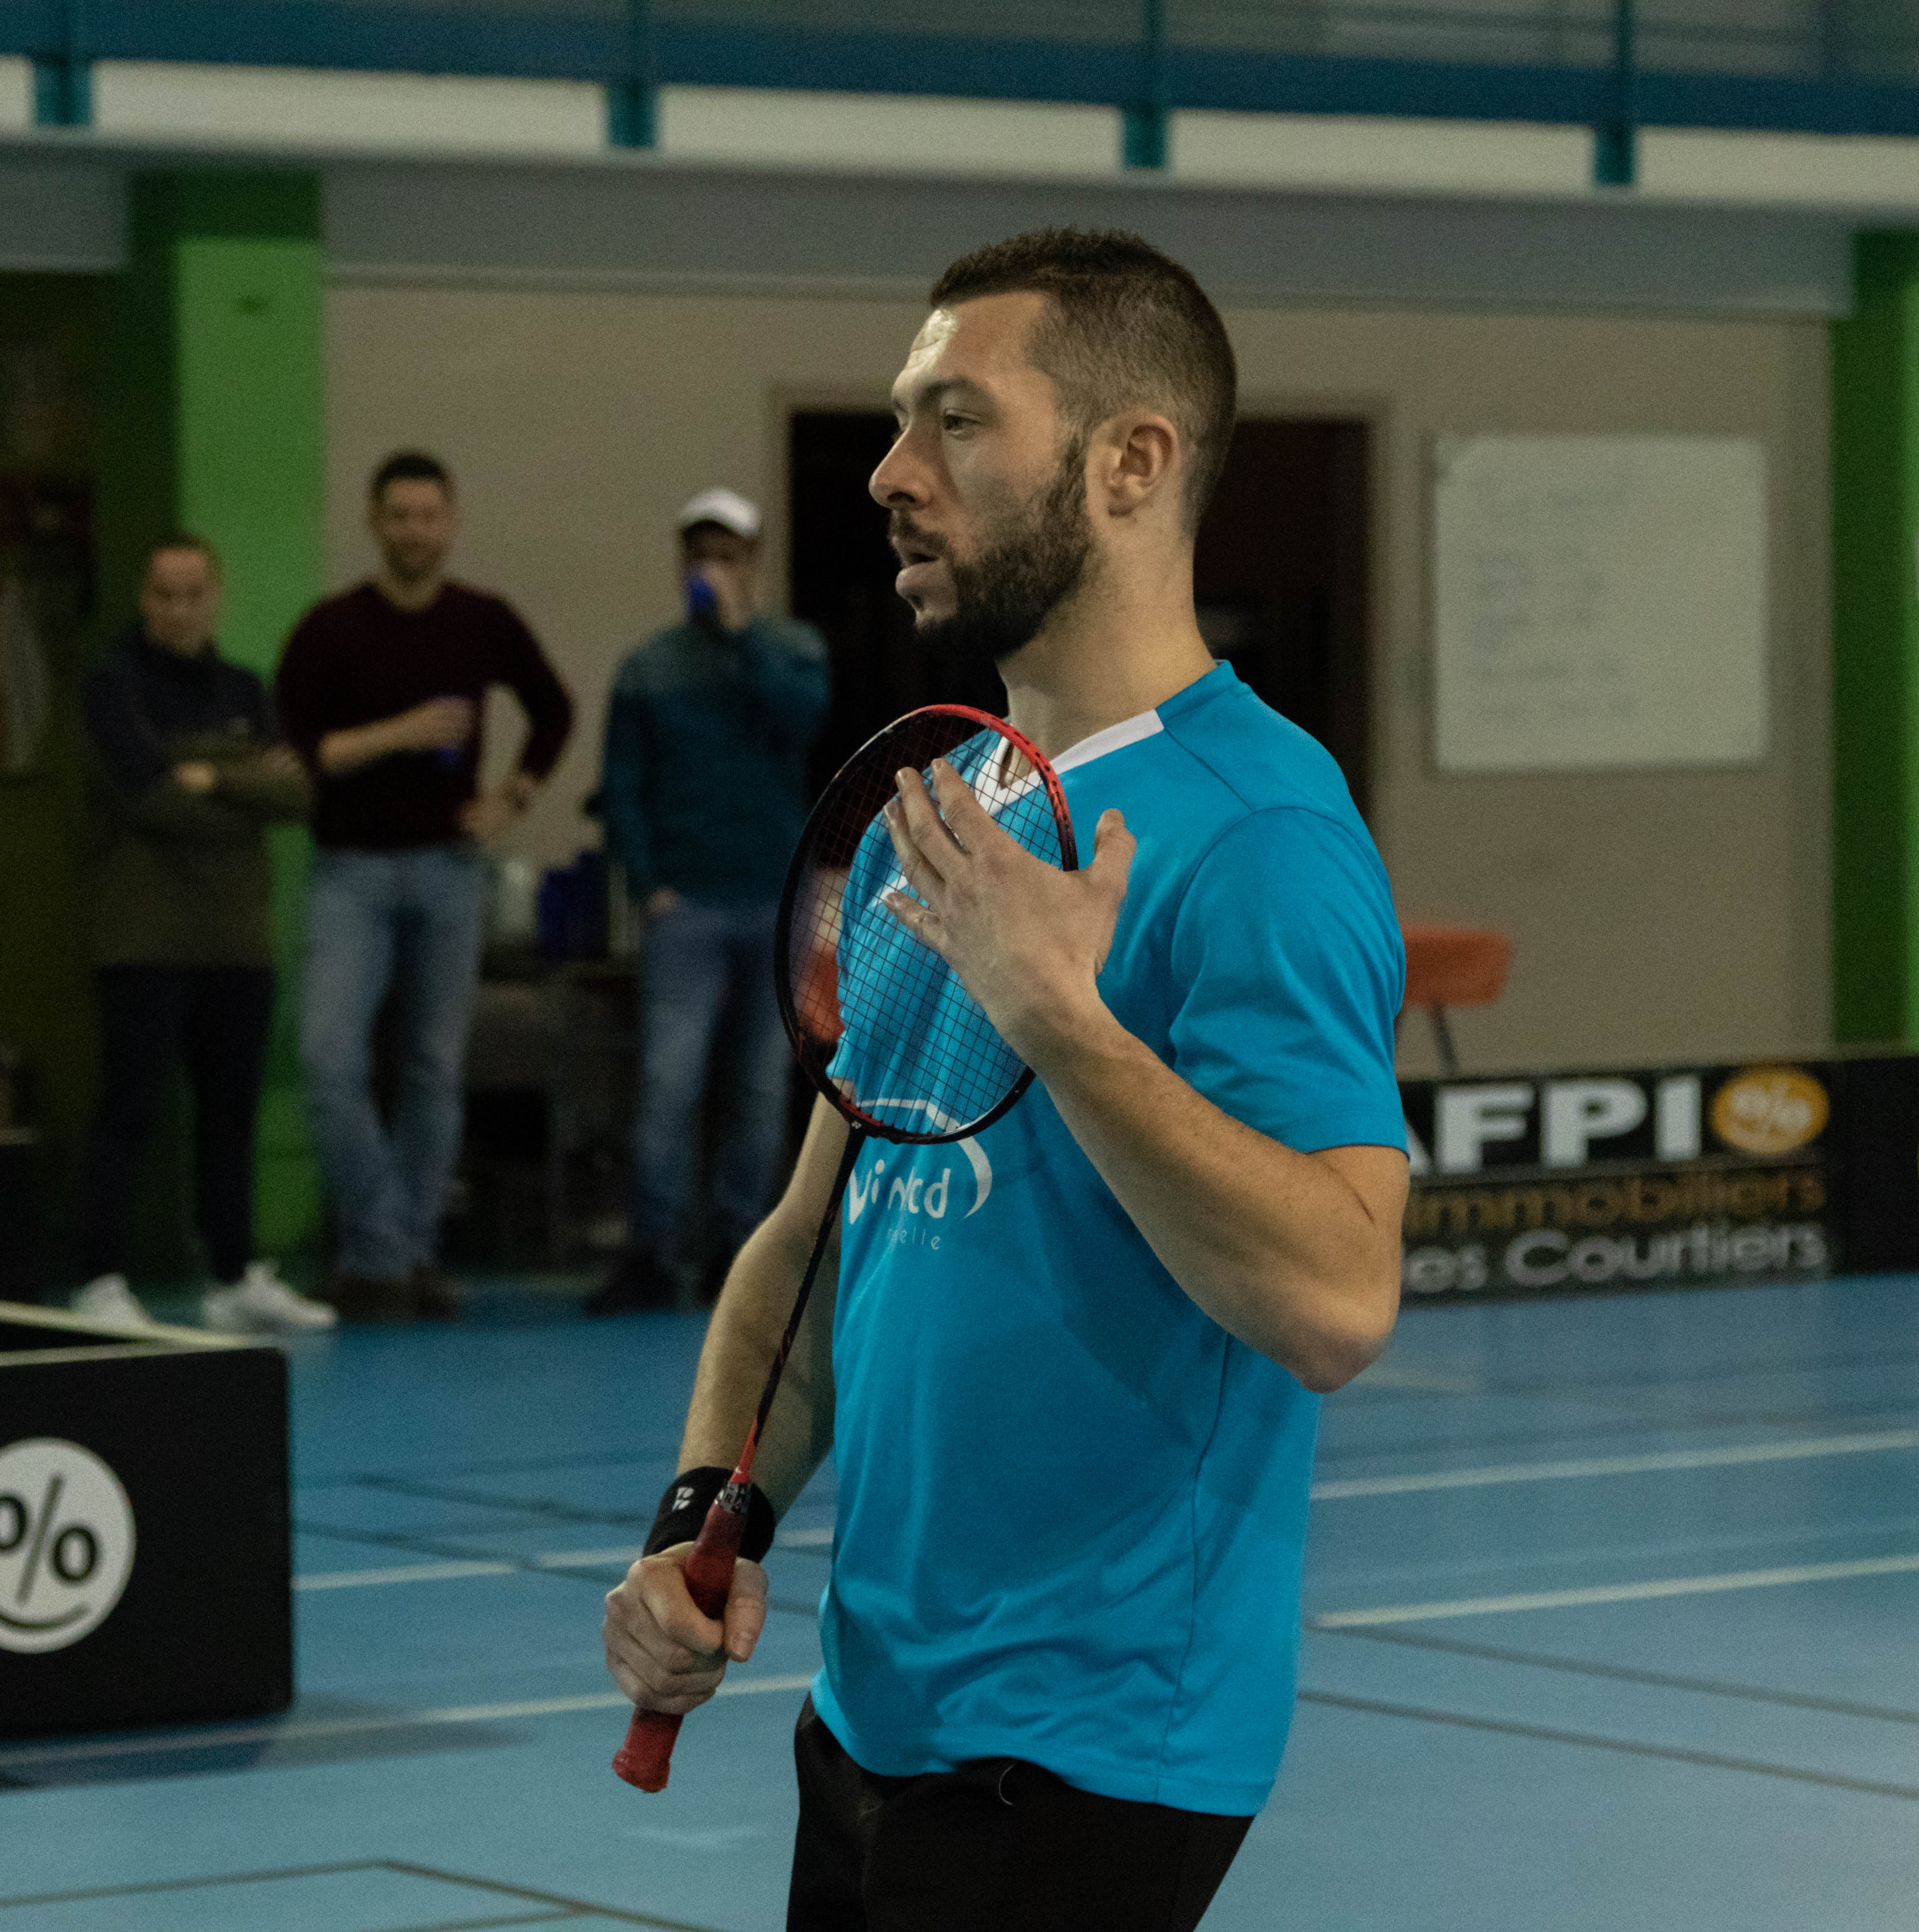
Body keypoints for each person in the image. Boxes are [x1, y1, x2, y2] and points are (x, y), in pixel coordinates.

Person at [601, 230, 1409, 1929]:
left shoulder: (1261, 835)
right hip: (872, 1713)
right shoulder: (951, 810)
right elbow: (811, 1247)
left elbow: (1339, 1299)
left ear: (1133, 462)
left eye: (958, 421)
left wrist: (1064, 1022)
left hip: (1088, 1744)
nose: (893, 472)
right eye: (906, 420)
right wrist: (704, 1518)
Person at [276, 452, 575, 1319]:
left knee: (433, 1068)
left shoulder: (482, 622)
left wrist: (513, 796)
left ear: (450, 523)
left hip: (449, 868)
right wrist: (400, 733)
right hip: (350, 871)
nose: (414, 531)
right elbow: (300, 753)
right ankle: (386, 1247)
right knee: (328, 1058)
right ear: (374, 523)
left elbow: (553, 709)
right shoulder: (331, 630)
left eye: (427, 515)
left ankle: (400, 1257)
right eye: (399, 516)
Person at [72, 534, 334, 1335]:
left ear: (216, 597)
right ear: (142, 598)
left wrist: (213, 775)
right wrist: (245, 790)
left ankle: (234, 1275)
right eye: (164, 595)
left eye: (194, 594)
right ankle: (99, 1278)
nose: (180, 610)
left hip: (237, 943)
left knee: (232, 1115)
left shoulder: (246, 689)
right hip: (144, 940)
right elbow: (149, 797)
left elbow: (298, 797)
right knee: (131, 1109)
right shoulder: (114, 688)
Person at [590, 488, 829, 1314]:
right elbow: (623, 782)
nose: (710, 569)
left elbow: (802, 724)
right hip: (685, 903)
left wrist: (741, 637)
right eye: (699, 555)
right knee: (670, 1082)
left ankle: (738, 1248)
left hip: (775, 897)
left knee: (761, 1086)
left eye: (727, 556)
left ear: (752, 564)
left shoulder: (793, 651)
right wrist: (647, 883)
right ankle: (651, 1251)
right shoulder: (649, 667)